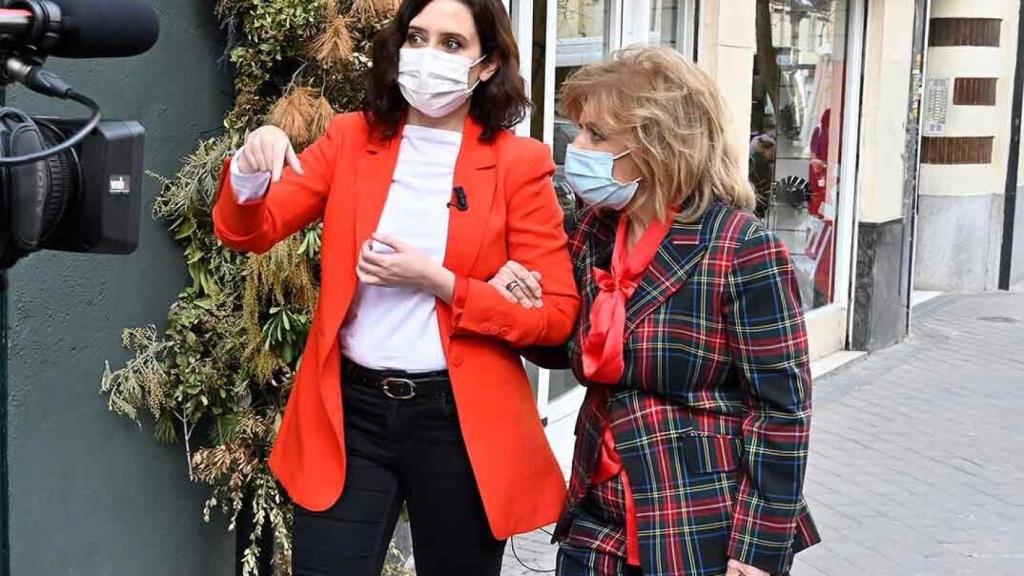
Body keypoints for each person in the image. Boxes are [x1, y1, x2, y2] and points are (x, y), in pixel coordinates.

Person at [212, 0, 580, 574]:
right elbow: (249, 232)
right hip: (351, 411)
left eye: (452, 44)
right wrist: (249, 171)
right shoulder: (350, 139)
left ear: (486, 65)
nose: (428, 55)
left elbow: (555, 317)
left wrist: (442, 283)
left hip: (458, 419)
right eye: (417, 37)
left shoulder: (518, 164)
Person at [492, 46, 820, 576]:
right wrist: (519, 302)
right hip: (597, 513)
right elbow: (566, 348)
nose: (574, 148)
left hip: (696, 520)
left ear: (658, 146)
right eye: (578, 130)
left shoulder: (740, 247)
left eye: (596, 135)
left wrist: (758, 548)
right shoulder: (593, 231)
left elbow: (782, 410)